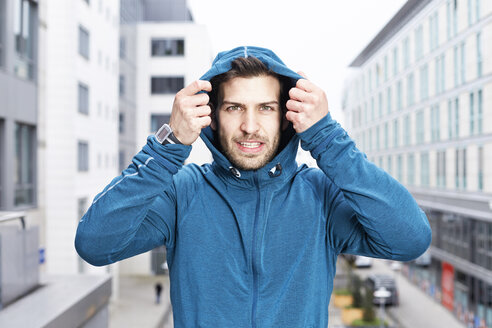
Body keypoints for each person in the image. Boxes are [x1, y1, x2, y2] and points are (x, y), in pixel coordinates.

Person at [75, 46, 431, 327]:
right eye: (234, 107)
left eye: (265, 107)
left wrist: (326, 137)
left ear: (286, 115)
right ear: (212, 115)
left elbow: (410, 238)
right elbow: (94, 244)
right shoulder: (183, 193)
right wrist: (168, 148)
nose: (249, 125)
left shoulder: (319, 196)